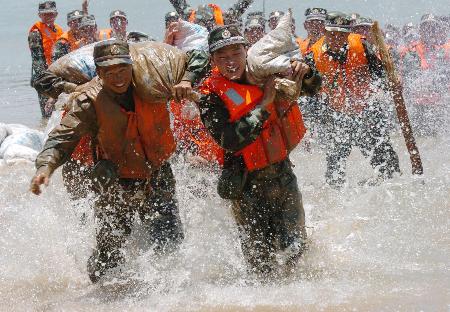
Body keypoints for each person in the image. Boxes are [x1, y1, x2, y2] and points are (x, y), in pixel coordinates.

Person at [30, 40, 208, 283]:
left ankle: (168, 297)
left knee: (169, 242)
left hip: (158, 175)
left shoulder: (155, 81)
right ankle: (97, 296)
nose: (117, 78)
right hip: (117, 182)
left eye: (122, 70)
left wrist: (187, 79)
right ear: (99, 73)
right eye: (109, 73)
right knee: (108, 254)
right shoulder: (89, 101)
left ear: (132, 67)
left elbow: (199, 56)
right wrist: (46, 167)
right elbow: (63, 137)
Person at [196, 25, 322, 277]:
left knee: (296, 253)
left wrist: (306, 72)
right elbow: (229, 140)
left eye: (236, 53)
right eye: (222, 57)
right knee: (260, 265)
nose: (231, 62)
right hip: (246, 185)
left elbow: (313, 88)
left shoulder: (267, 70)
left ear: (246, 51)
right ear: (213, 61)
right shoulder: (210, 95)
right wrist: (264, 104)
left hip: (283, 175)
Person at [308, 12, 400, 187]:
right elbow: (308, 92)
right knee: (334, 173)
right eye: (332, 33)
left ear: (348, 34)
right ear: (324, 32)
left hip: (367, 111)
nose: (336, 38)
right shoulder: (313, 55)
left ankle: (393, 190)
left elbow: (381, 75)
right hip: (336, 115)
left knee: (387, 166)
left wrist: (392, 83)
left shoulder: (362, 46)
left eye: (342, 34)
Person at [28, 1, 63, 118]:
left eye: (51, 14)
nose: (49, 17)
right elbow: (37, 62)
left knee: (61, 111)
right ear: (40, 15)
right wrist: (48, 87)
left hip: (58, 75)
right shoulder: (35, 33)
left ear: (56, 14)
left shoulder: (59, 30)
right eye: (45, 14)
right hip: (44, 79)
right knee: (48, 114)